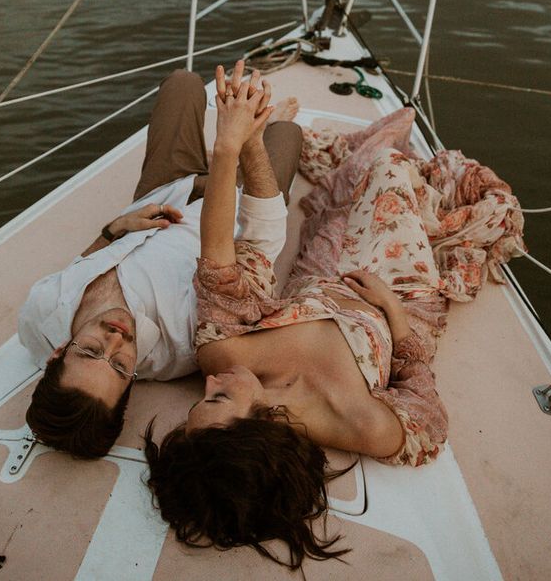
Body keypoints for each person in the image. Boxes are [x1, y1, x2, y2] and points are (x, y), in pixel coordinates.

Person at [144, 66, 451, 570]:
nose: (209, 381)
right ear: (262, 425)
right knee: (389, 169)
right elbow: (424, 395)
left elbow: (220, 262)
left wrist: (232, 144)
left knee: (339, 199)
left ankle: (304, 145)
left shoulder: (224, 353)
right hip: (397, 291)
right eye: (219, 398)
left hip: (321, 276)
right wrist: (392, 312)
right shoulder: (366, 426)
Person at [18, 64, 302, 459]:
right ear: (130, 385)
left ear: (58, 351)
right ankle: (254, 140)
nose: (115, 340)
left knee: (182, 83)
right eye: (119, 367)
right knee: (287, 135)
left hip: (166, 191)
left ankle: (228, 147)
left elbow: (79, 265)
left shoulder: (38, 313)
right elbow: (261, 246)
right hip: (234, 206)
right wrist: (239, 145)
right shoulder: (182, 348)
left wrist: (114, 229)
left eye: (90, 351)